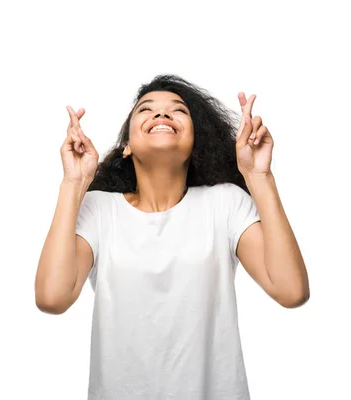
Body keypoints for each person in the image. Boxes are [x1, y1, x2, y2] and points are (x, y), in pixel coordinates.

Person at [34, 74, 310, 399]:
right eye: (146, 109)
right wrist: (74, 183)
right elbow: (52, 298)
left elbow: (291, 291)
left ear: (195, 140)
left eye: (177, 110)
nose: (162, 114)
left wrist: (258, 175)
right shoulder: (99, 210)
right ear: (126, 146)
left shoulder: (224, 203)